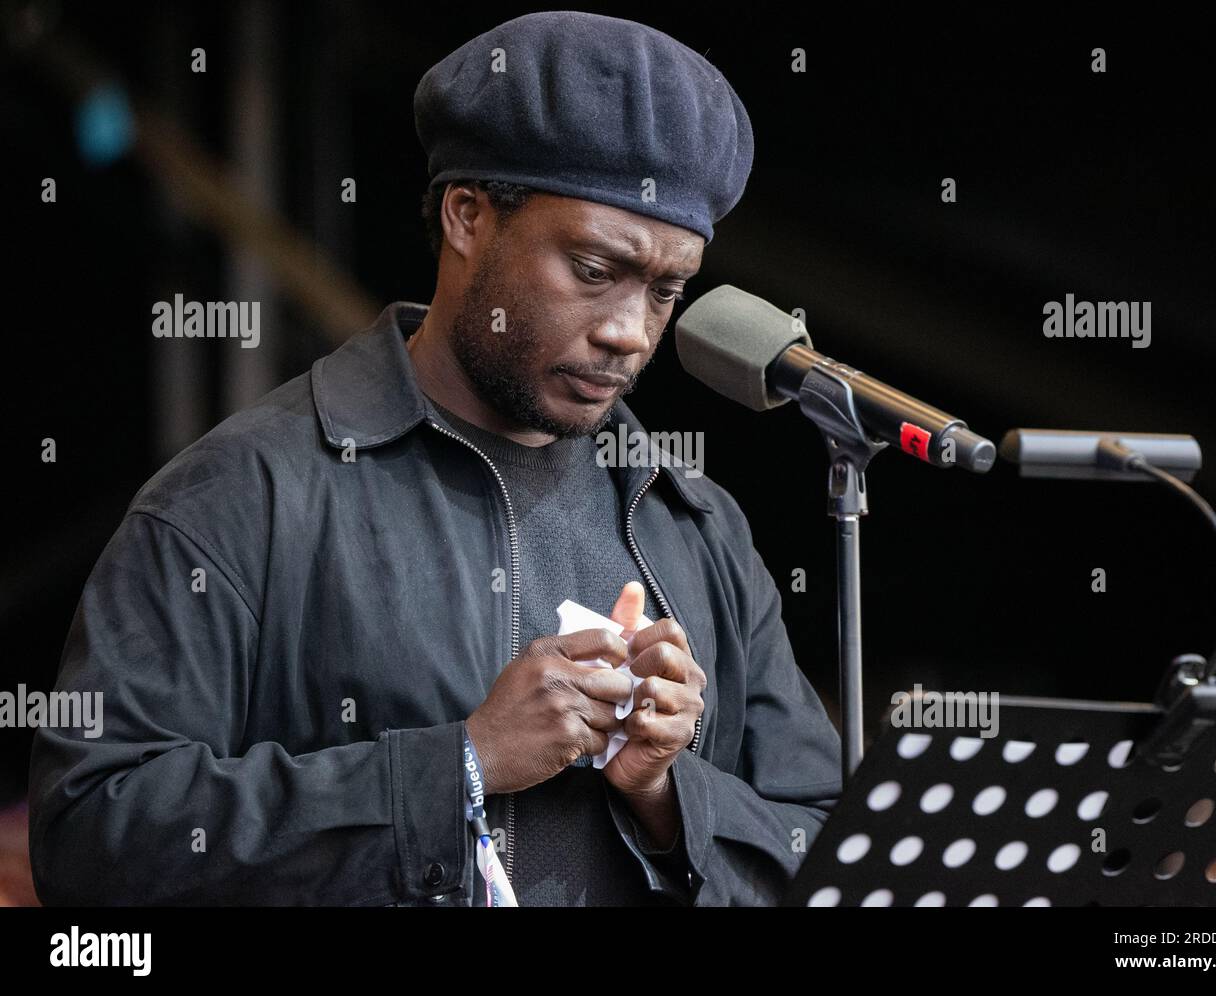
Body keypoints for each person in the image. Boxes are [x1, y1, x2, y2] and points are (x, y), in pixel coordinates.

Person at [28, 10, 842, 906]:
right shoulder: (241, 493)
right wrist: (459, 764)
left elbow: (826, 849)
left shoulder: (698, 524)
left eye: (666, 291)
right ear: (468, 216)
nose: (627, 332)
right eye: (593, 268)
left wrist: (664, 790)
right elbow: (94, 836)